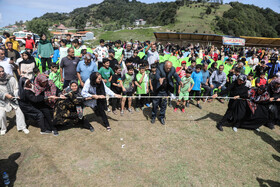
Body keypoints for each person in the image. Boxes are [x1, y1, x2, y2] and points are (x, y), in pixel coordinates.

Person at [0, 66, 29, 135]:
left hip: (13, 99)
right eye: (0, 72)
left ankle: (22, 127)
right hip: (2, 102)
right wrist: (5, 95)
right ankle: (3, 128)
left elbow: (16, 88)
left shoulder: (11, 78)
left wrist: (16, 95)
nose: (2, 73)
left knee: (20, 110)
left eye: (2, 71)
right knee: (1, 115)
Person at [151, 61, 182, 125]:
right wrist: (159, 78)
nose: (168, 69)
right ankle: (153, 116)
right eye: (167, 68)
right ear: (164, 66)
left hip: (165, 89)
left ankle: (162, 117)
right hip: (158, 88)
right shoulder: (159, 67)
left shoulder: (172, 69)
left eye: (169, 68)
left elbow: (176, 75)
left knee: (164, 104)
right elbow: (156, 74)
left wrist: (179, 81)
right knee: (155, 103)